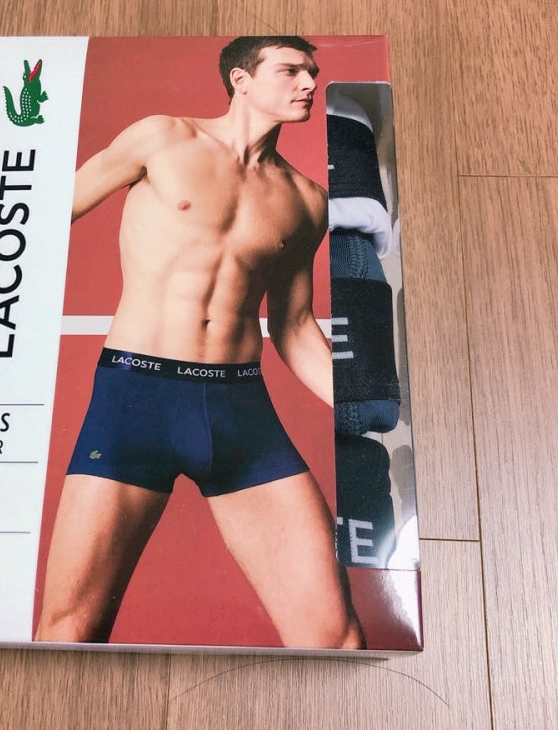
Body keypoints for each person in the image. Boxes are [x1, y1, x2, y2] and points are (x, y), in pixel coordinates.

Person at [36, 36, 365, 648]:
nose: (309, 84)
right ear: (241, 79)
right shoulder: (163, 138)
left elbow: (294, 328)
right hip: (136, 396)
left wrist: (361, 410)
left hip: (239, 408)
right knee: (70, 629)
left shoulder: (306, 201)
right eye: (291, 71)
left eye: (313, 73)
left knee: (335, 639)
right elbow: (36, 220)